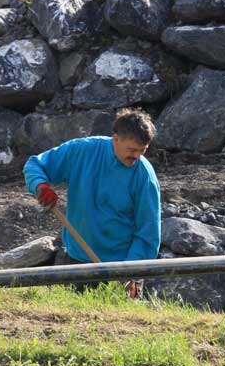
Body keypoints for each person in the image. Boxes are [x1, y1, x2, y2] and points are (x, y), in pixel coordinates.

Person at [23, 108, 161, 278]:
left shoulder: (144, 176)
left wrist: (131, 271)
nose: (138, 156)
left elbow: (148, 232)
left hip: (121, 268)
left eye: (143, 150)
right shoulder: (82, 151)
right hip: (75, 260)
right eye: (133, 150)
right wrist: (40, 186)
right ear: (116, 139)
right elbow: (35, 165)